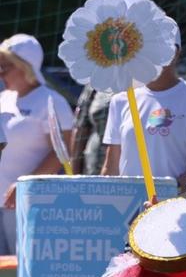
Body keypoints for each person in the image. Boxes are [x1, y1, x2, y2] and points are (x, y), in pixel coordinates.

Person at [102, 20, 186, 188]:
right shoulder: (121, 100)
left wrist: (168, 191)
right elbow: (111, 166)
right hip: (128, 209)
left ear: (176, 53)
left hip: (176, 207)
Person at [0, 34, 75, 256]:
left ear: (26, 67)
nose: (0, 72)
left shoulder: (51, 101)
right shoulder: (3, 98)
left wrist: (25, 184)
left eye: (6, 66)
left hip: (29, 204)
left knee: (19, 267)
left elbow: (63, 151)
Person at [71, 86, 114, 175]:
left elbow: (151, 125)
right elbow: (80, 128)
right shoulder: (96, 82)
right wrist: (74, 177)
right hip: (94, 168)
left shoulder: (145, 83)